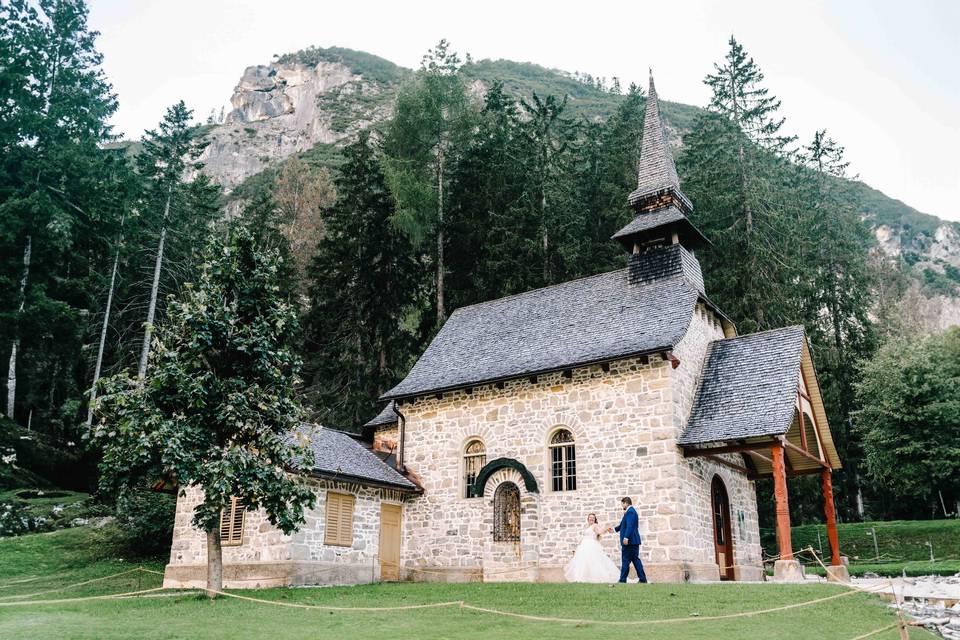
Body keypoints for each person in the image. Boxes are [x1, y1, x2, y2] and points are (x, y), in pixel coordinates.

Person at [563, 514, 620, 583]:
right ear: (588, 519)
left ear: (595, 519)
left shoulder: (594, 525)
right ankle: (580, 578)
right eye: (590, 517)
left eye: (593, 518)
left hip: (591, 546)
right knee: (583, 562)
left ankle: (595, 577)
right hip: (584, 546)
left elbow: (599, 532)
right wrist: (578, 546)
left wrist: (606, 528)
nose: (591, 519)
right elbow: (584, 537)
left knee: (593, 561)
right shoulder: (587, 526)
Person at [614, 496, 648, 583]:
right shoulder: (629, 512)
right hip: (633, 541)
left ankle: (622, 580)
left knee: (625, 560)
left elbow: (630, 526)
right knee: (635, 560)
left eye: (622, 504)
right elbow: (623, 525)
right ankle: (642, 579)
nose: (622, 506)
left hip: (629, 541)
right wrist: (614, 529)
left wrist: (626, 537)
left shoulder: (630, 512)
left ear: (626, 503)